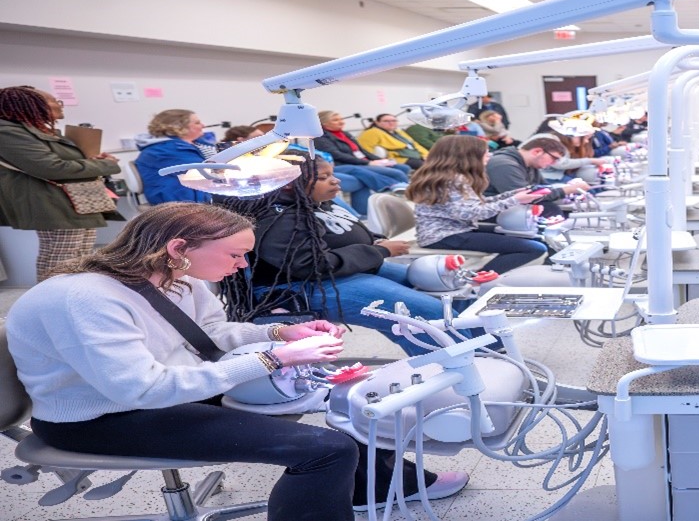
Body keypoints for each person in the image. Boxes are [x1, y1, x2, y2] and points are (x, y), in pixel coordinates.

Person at [4, 203, 469, 520]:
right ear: (179, 248)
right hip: (103, 418)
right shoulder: (83, 299)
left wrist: (282, 332)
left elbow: (213, 336)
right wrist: (273, 358)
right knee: (325, 450)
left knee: (350, 398)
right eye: (236, 254)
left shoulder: (175, 279)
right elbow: (140, 390)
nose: (244, 265)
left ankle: (385, 487)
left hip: (171, 393)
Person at [222, 158, 467, 357]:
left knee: (437, 288)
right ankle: (460, 361)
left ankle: (471, 341)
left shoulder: (318, 202)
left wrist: (375, 241)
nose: (335, 180)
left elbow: (345, 232)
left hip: (337, 270)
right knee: (421, 310)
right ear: (288, 183)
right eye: (324, 177)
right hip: (299, 286)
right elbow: (309, 265)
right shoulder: (280, 219)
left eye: (333, 174)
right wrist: (380, 251)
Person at [0, 86, 122, 282]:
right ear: (33, 105)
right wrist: (103, 165)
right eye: (54, 101)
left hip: (76, 199)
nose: (59, 104)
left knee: (80, 256)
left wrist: (93, 160)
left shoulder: (36, 129)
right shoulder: (8, 131)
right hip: (51, 201)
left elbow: (60, 160)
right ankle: (51, 303)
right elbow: (50, 167)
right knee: (60, 258)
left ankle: (74, 296)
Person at [408, 137, 548, 274]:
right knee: (534, 248)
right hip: (444, 236)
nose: (490, 155)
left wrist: (513, 194)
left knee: (532, 239)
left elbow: (476, 205)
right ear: (468, 156)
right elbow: (472, 213)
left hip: (451, 230)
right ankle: (476, 280)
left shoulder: (449, 176)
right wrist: (515, 200)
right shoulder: (453, 180)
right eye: (486, 153)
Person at [486, 135, 591, 217]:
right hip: (491, 210)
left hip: (510, 206)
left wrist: (565, 187)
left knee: (554, 208)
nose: (554, 163)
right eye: (554, 158)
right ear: (537, 152)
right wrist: (567, 190)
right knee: (550, 210)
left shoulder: (530, 165)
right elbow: (526, 197)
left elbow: (544, 188)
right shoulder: (504, 165)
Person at [134, 109, 212, 204]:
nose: (203, 125)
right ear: (178, 127)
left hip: (198, 194)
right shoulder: (162, 151)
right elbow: (205, 172)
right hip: (182, 201)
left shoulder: (194, 143)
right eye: (197, 123)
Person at [312, 110, 413, 176]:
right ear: (324, 123)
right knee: (397, 173)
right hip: (349, 164)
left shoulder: (344, 133)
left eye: (341, 119)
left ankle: (393, 191)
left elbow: (362, 151)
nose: (342, 122)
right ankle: (393, 193)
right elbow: (338, 155)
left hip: (363, 161)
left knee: (403, 167)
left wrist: (382, 160)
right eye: (336, 120)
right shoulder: (320, 137)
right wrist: (368, 163)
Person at [358, 114, 428, 170]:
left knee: (434, 162)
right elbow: (365, 150)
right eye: (386, 121)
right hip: (397, 159)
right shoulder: (372, 132)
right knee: (428, 166)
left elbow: (414, 144)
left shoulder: (398, 132)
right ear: (377, 122)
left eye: (394, 121)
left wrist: (426, 155)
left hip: (414, 155)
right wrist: (379, 162)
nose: (391, 123)